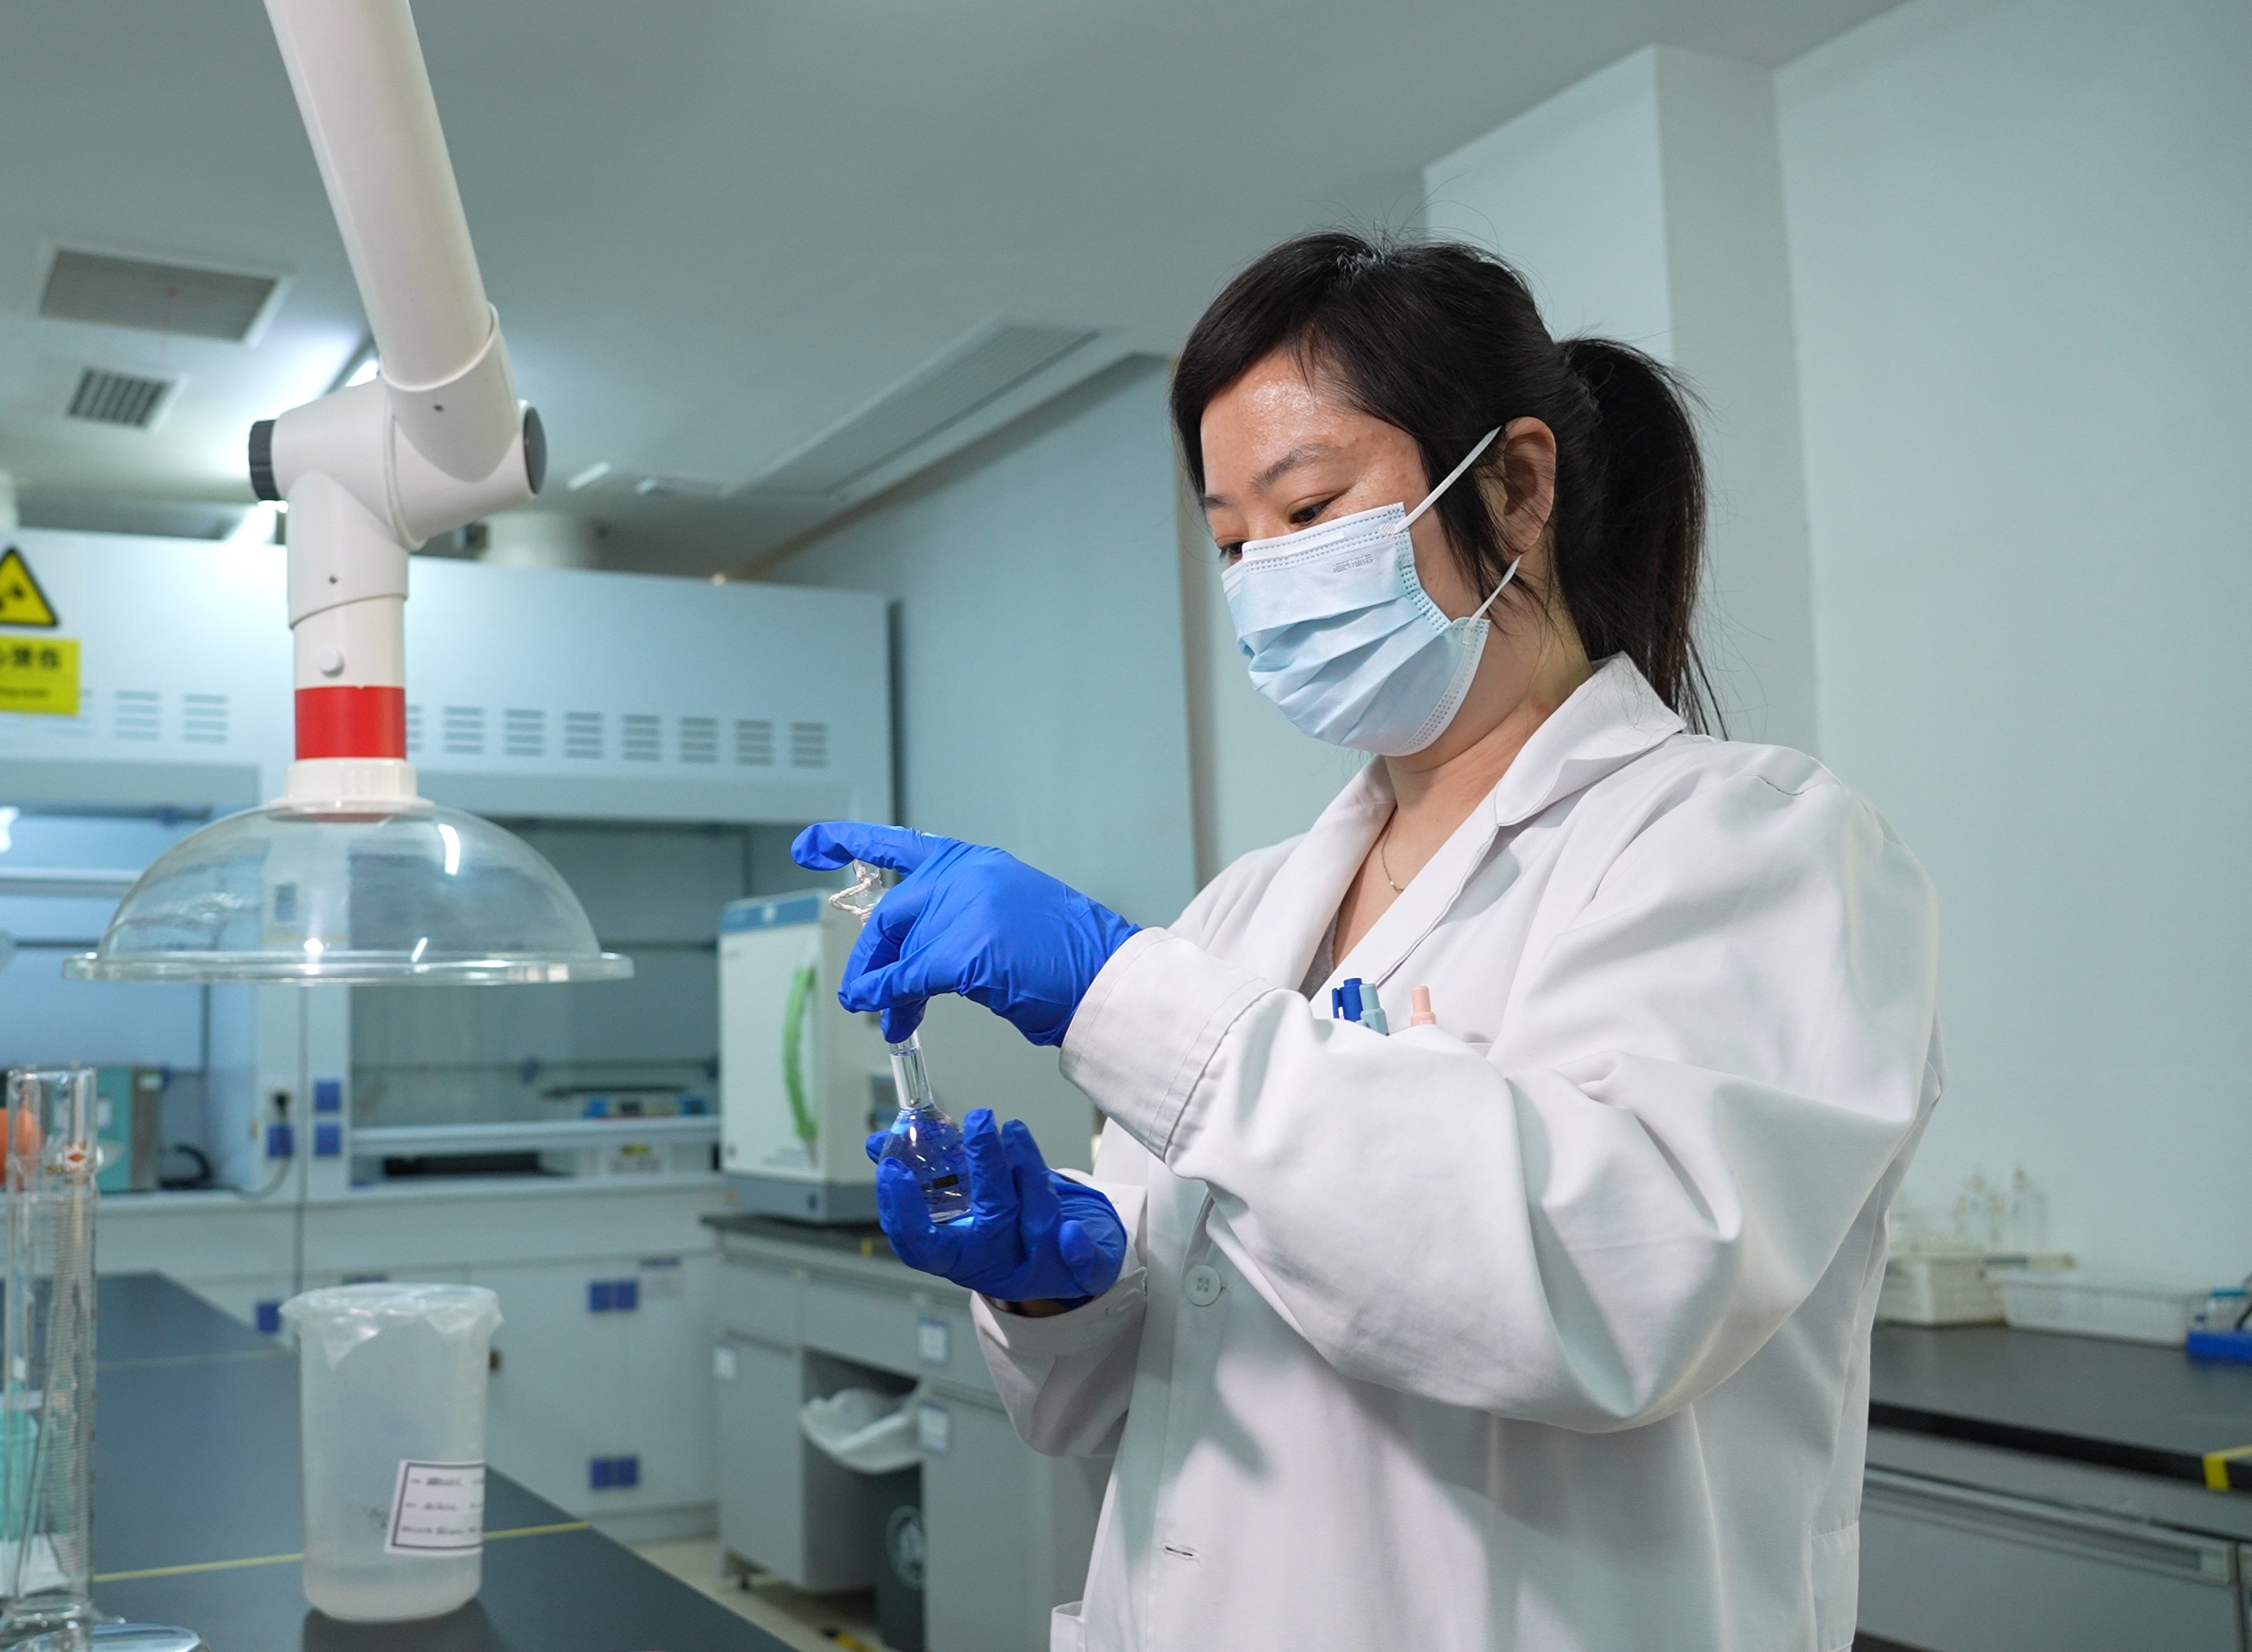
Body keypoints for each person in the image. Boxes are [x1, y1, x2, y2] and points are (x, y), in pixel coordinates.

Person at [795, 230, 1941, 1652]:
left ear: (1516, 486)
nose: (1267, 574)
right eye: (1232, 542)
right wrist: (1059, 1287)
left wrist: (1110, 988)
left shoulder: (1756, 846)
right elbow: (1111, 1406)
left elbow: (1615, 1291)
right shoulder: (1245, 911)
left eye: (1311, 507)